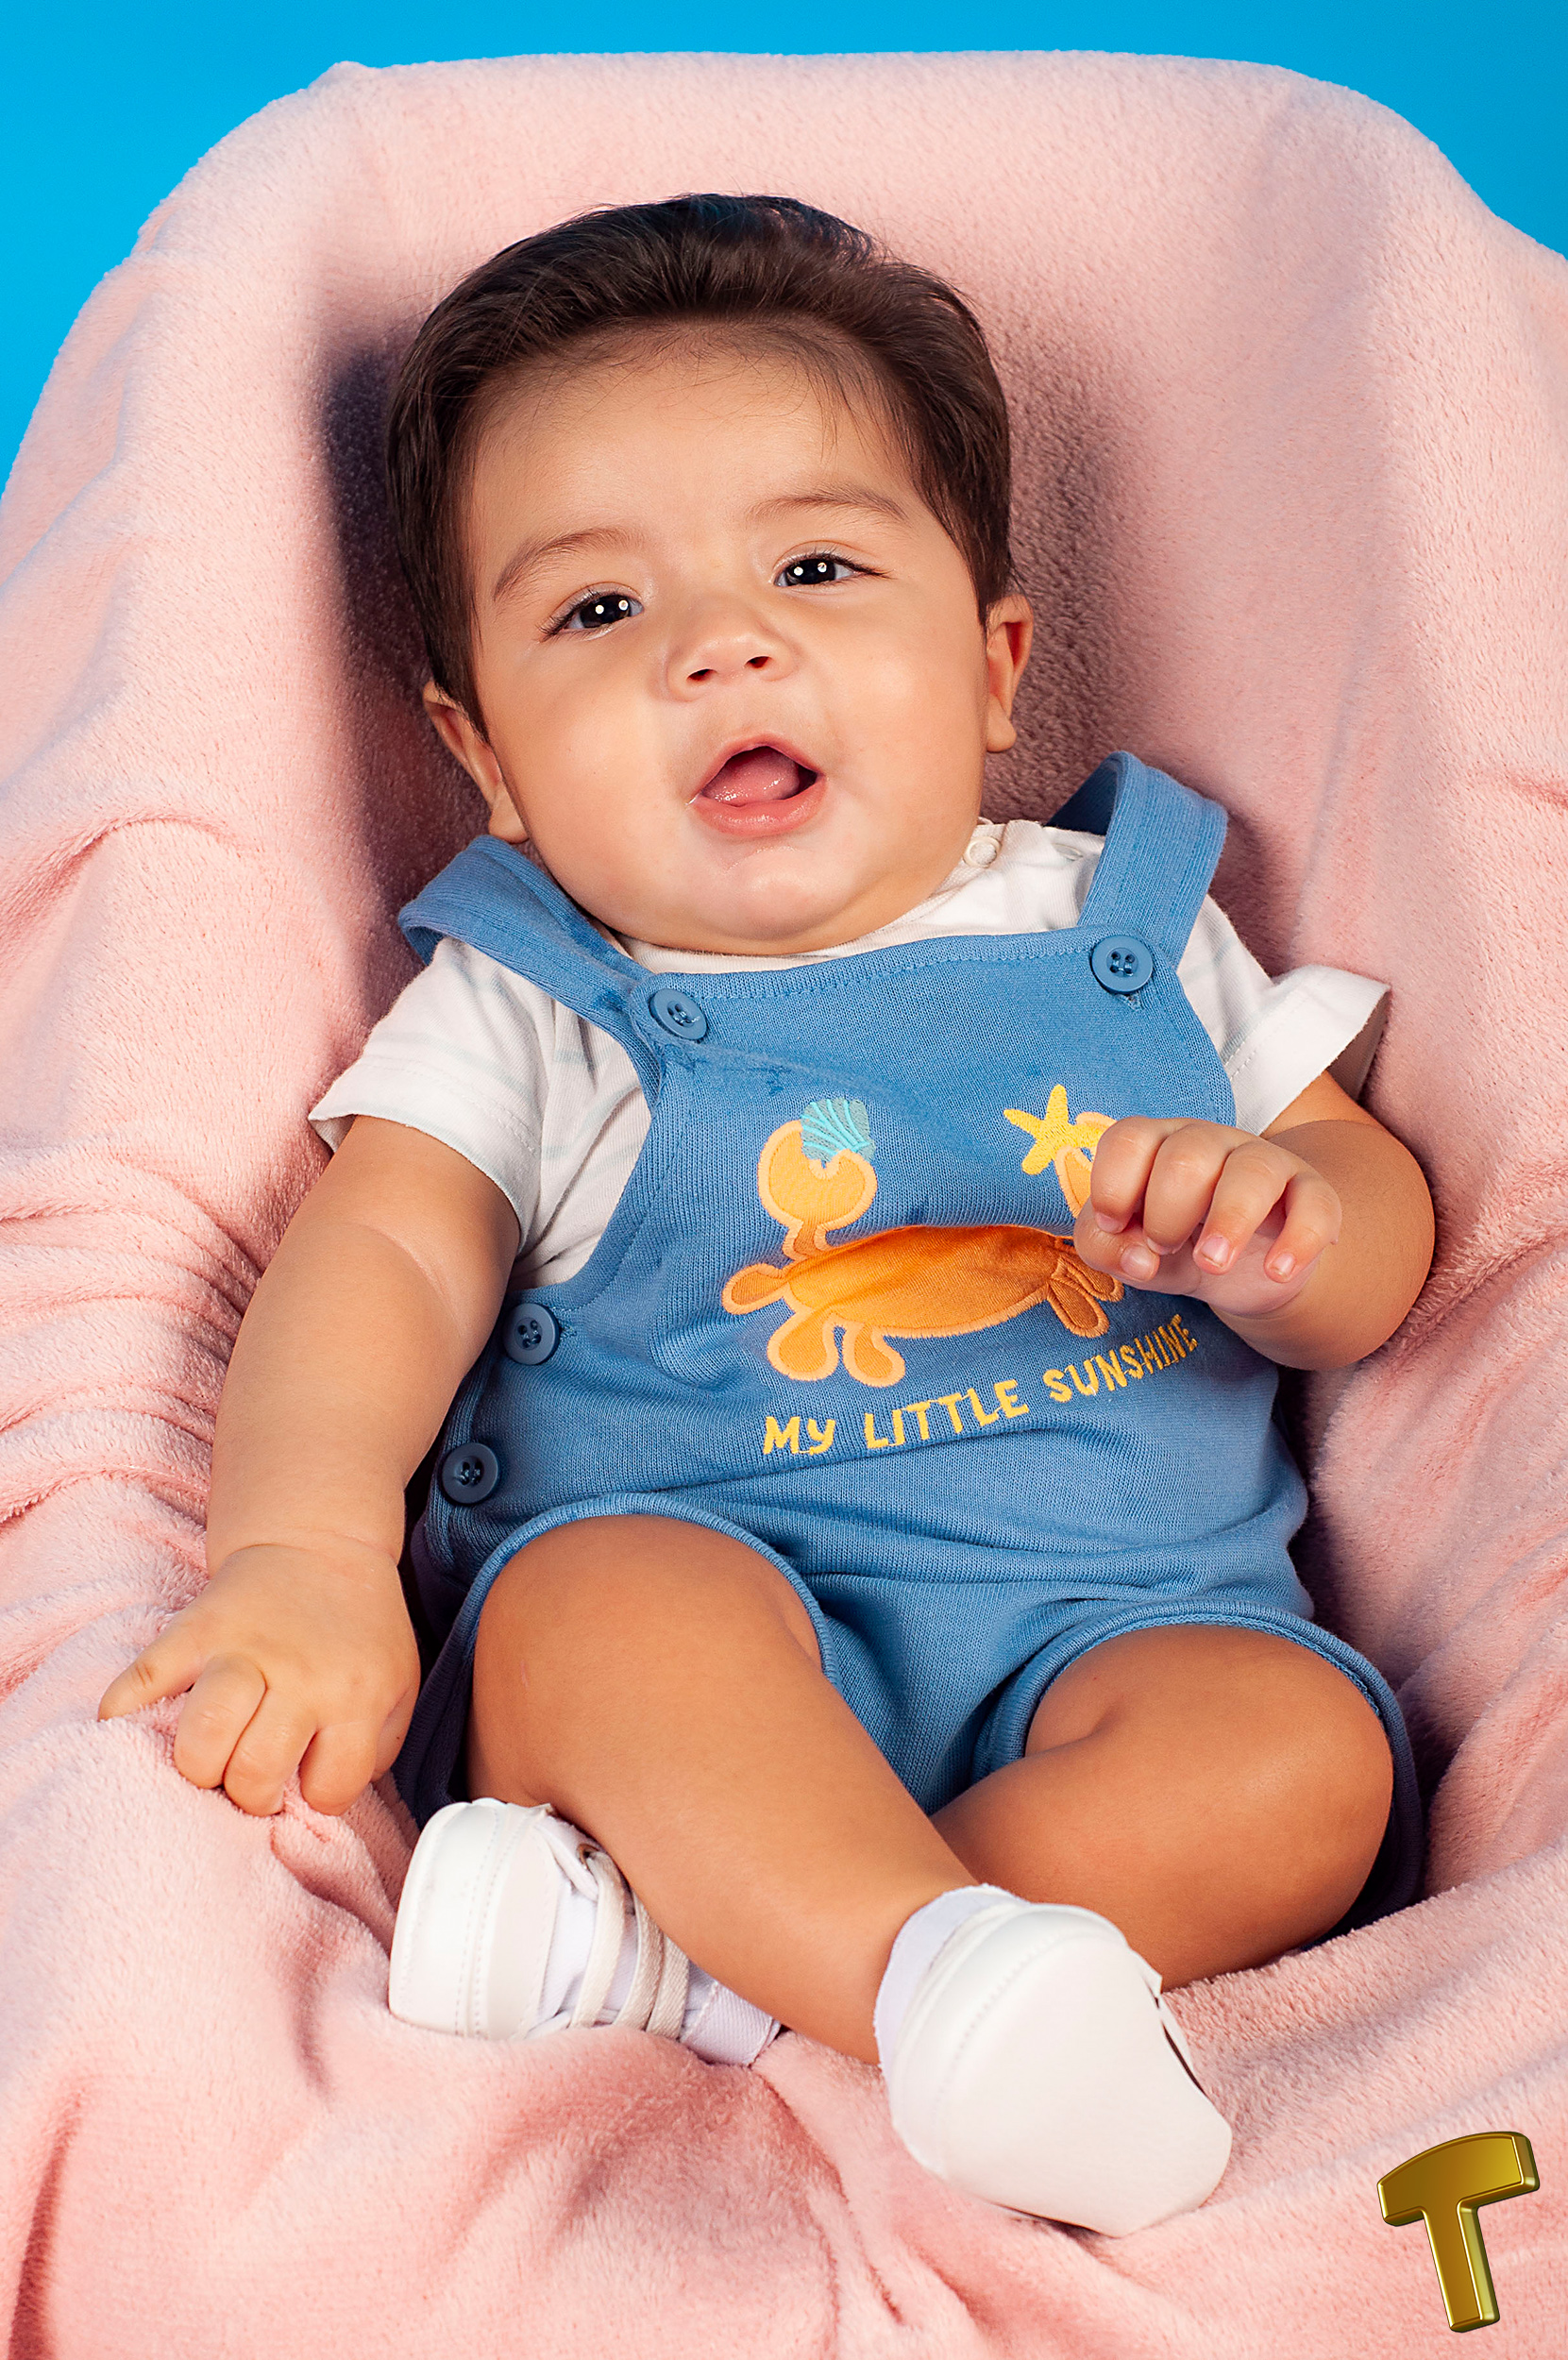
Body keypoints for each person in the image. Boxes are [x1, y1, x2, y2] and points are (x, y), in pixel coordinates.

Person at [99, 194, 1434, 2235]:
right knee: (596, 1604)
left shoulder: (1134, 928)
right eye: (596, 609)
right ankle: (911, 1977)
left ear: (993, 664)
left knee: (1304, 1761)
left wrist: (1292, 1223)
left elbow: (1372, 1234)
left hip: (1120, 1636)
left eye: (814, 567)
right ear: (484, 758)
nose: (722, 644)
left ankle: (713, 1976)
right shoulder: (533, 998)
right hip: (696, 1628)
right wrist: (300, 1555)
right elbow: (377, 1262)